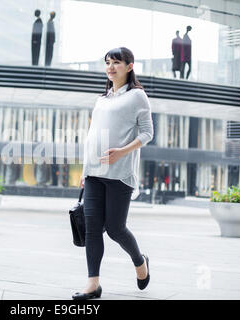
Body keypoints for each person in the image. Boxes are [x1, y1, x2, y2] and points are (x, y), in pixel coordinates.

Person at [73, 47, 153, 300]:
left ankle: (140, 262)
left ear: (130, 66)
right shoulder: (102, 99)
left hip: (120, 173)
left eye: (116, 62)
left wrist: (122, 151)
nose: (110, 67)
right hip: (95, 173)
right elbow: (91, 137)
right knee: (93, 229)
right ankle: (93, 284)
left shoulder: (138, 96)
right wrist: (85, 171)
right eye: (107, 62)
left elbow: (147, 133)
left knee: (116, 228)